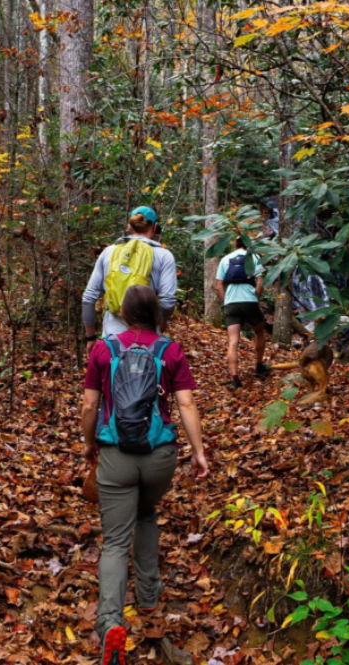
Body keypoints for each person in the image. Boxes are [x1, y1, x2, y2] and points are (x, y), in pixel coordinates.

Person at [81, 285, 208, 665]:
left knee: (116, 542)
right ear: (157, 313)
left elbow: (90, 404)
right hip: (159, 456)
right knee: (147, 513)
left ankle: (109, 625)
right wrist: (199, 452)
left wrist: (89, 443)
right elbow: (185, 403)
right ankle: (149, 597)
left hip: (117, 454)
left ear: (122, 312)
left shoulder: (103, 348)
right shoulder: (170, 350)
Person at [82, 207, 178, 355]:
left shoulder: (109, 253)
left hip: (112, 342)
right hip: (149, 344)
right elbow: (168, 302)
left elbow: (89, 298)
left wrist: (90, 338)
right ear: (155, 227)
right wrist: (158, 323)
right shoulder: (164, 256)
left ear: (129, 226)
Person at [217, 235, 269, 388]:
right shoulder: (254, 257)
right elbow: (260, 281)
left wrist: (225, 301)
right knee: (259, 332)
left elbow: (219, 285)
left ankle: (235, 379)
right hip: (249, 301)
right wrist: (256, 296)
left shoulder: (225, 259)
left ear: (234, 243)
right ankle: (259, 366)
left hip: (231, 303)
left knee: (233, 342)